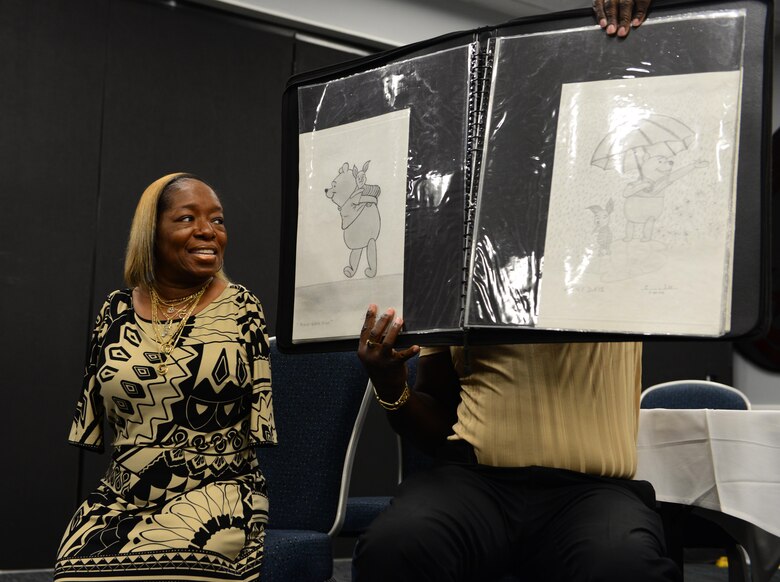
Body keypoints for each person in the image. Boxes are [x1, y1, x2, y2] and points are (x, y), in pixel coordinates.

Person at [353, 2, 678, 579]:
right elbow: (436, 418)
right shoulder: (459, 261)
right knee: (395, 546)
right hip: (475, 484)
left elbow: (678, 104)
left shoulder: (621, 238)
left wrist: (639, 23)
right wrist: (389, 386)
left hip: (593, 494)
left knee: (622, 564)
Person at [54, 173, 275, 582]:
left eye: (218, 220)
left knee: (170, 570)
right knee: (73, 570)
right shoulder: (114, 311)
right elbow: (94, 409)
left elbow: (258, 413)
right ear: (150, 232)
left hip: (216, 492)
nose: (208, 231)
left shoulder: (241, 308)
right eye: (187, 218)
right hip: (121, 495)